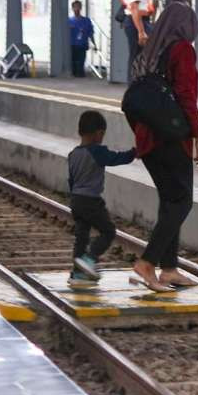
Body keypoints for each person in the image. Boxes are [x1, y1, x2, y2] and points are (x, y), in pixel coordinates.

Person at [128, 3, 198, 291]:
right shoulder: (182, 49)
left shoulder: (148, 50)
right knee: (182, 201)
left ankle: (169, 268)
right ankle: (147, 263)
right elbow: (186, 96)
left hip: (148, 139)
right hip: (171, 138)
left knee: (169, 200)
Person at [67, 110, 135, 289]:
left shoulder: (73, 154)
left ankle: (77, 273)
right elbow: (116, 159)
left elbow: (71, 180)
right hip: (91, 201)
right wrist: (135, 152)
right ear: (99, 133)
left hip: (76, 200)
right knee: (108, 231)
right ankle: (89, 260)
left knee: (81, 236)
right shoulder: (97, 151)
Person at [68, 0, 95, 78]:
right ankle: (74, 72)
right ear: (72, 8)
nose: (77, 9)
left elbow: (91, 33)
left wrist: (94, 43)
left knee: (81, 60)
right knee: (73, 60)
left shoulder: (86, 20)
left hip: (82, 44)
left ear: (81, 8)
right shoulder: (69, 21)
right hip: (72, 44)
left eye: (78, 7)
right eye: (75, 7)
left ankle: (80, 73)